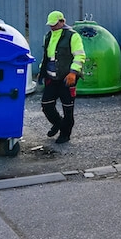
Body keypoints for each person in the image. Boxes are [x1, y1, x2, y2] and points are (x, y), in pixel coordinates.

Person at [38, 11, 86, 144]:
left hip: (67, 78)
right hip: (51, 78)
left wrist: (73, 72)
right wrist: (42, 71)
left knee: (68, 108)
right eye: (50, 25)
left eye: (54, 24)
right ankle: (58, 123)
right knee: (46, 105)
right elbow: (47, 57)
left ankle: (65, 134)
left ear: (62, 21)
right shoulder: (48, 36)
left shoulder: (72, 36)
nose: (52, 27)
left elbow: (80, 56)